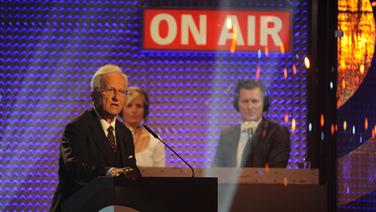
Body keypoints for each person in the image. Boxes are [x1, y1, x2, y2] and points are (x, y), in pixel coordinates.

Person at [50, 64, 140, 211]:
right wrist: (110, 172)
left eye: (121, 91)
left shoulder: (124, 133)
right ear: (94, 95)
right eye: (110, 90)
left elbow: (131, 170)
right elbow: (76, 169)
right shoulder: (76, 128)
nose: (116, 97)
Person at [214, 79, 291, 168]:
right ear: (237, 104)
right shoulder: (226, 134)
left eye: (254, 101)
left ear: (264, 104)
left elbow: (276, 172)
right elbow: (217, 170)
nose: (250, 107)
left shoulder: (278, 133)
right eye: (245, 101)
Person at [122, 86, 166, 167]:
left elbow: (161, 174)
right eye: (129, 105)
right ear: (121, 109)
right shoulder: (112, 137)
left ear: (145, 110)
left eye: (139, 106)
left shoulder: (155, 140)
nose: (134, 110)